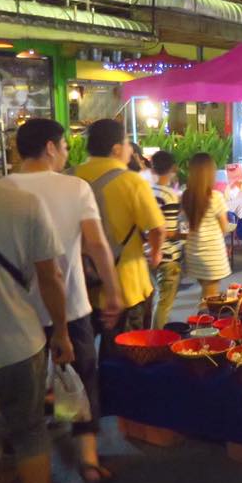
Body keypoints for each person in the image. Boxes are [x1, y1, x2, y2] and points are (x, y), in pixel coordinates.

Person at [1, 119, 123, 483]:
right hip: (71, 305)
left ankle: (26, 468)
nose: (68, 153)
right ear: (51, 147)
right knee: (83, 379)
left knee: (26, 391)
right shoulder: (74, 187)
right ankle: (87, 459)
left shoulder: (0, 190)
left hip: (18, 313)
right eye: (66, 146)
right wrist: (114, 291)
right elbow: (97, 244)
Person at [0, 116, 75, 483]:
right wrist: (62, 332)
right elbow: (50, 277)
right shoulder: (19, 203)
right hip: (20, 341)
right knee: (30, 431)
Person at [75, 119, 165, 349]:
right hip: (127, 286)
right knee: (126, 358)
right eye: (127, 143)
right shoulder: (131, 181)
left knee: (82, 361)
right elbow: (157, 227)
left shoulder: (70, 178)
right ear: (116, 149)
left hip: (82, 286)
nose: (129, 148)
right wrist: (155, 254)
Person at [181, 153, 232, 299]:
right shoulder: (215, 197)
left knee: (206, 293)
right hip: (211, 253)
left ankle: (201, 320)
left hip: (193, 252)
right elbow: (224, 227)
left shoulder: (186, 196)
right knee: (209, 299)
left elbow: (185, 223)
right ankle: (202, 321)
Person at [150, 150, 183, 329]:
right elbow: (169, 231)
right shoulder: (169, 195)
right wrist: (183, 234)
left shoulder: (148, 191)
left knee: (157, 299)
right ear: (173, 168)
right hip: (167, 255)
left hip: (148, 253)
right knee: (164, 303)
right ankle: (158, 339)